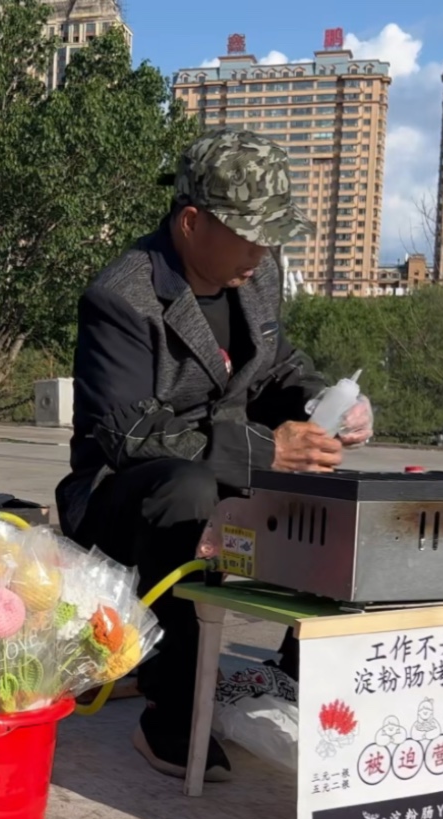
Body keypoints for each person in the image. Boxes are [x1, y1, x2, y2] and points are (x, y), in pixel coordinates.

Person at [56, 128, 373, 782]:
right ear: (192, 221)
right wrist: (265, 449)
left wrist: (326, 404)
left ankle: (293, 674)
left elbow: (276, 365)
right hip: (124, 497)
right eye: (250, 232)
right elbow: (129, 434)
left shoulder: (254, 275)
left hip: (222, 461)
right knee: (191, 485)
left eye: (271, 234)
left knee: (327, 482)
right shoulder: (121, 295)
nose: (262, 249)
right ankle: (170, 709)